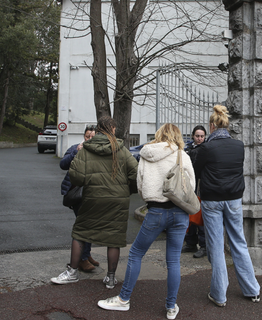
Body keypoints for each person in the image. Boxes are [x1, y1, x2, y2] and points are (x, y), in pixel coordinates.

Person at [97, 123, 193, 320]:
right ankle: (171, 306)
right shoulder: (182, 155)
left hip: (156, 211)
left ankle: (123, 300)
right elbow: (191, 185)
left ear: (159, 134)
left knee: (136, 254)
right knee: (173, 260)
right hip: (180, 213)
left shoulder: (146, 154)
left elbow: (140, 185)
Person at [50, 115, 138, 289]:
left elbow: (76, 176)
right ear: (113, 130)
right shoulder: (122, 149)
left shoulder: (86, 149)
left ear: (98, 130)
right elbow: (135, 173)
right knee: (114, 237)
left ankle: (72, 272)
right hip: (118, 201)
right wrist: (128, 190)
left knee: (80, 232)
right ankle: (111, 278)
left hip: (92, 198)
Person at [193, 104, 260, 306]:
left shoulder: (206, 147)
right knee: (239, 242)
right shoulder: (239, 146)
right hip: (234, 199)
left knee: (216, 246)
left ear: (212, 126)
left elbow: (196, 172)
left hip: (212, 199)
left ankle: (219, 295)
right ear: (226, 125)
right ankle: (252, 290)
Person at [59, 125, 99, 272]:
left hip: (92, 193)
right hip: (77, 194)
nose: (89, 139)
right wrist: (76, 152)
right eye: (87, 136)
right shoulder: (75, 148)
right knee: (83, 225)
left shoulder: (97, 152)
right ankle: (81, 259)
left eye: (92, 137)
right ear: (84, 136)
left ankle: (86, 254)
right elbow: (63, 165)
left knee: (90, 224)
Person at [182, 125, 207, 259]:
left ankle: (203, 246)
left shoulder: (204, 149)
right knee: (190, 215)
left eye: (202, 136)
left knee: (199, 216)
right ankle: (191, 242)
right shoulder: (190, 149)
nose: (199, 138)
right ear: (193, 136)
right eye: (197, 136)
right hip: (191, 186)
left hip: (200, 187)